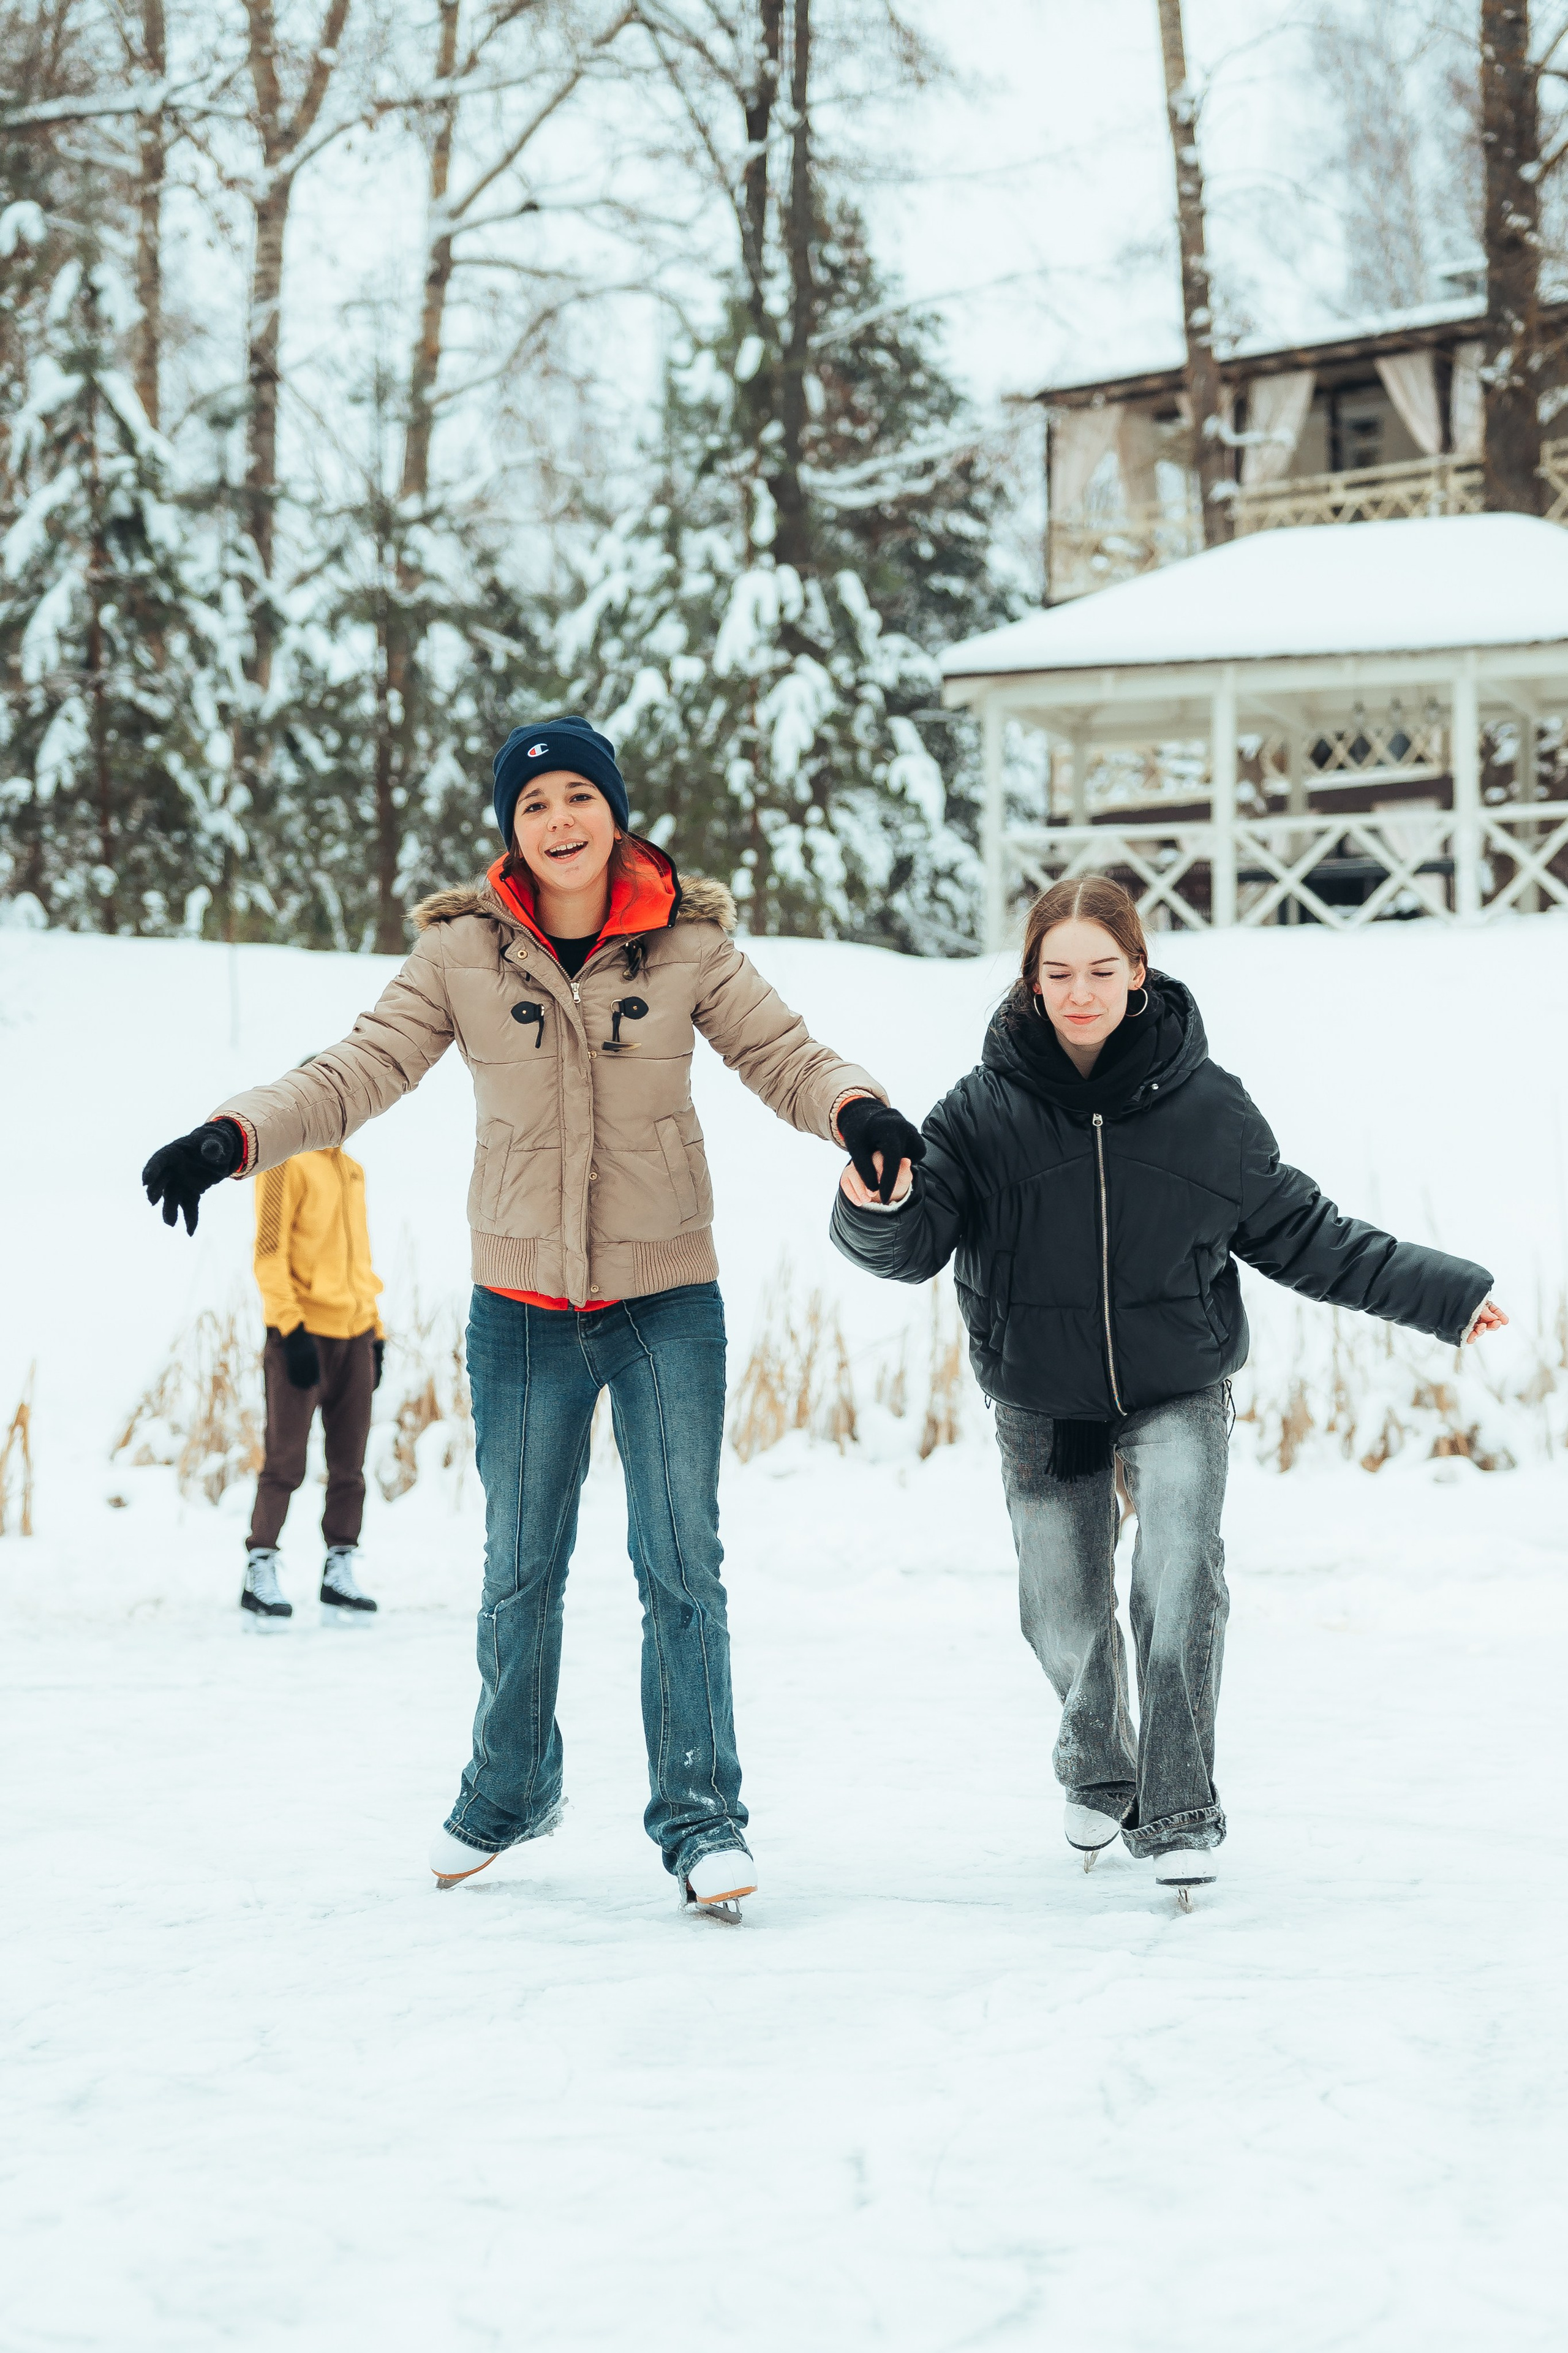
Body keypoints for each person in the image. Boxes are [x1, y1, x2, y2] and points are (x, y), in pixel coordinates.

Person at [141, 712, 922, 1922]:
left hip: (665, 1299)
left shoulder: (686, 942)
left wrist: (858, 1112)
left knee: (681, 1569)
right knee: (517, 1574)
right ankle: (507, 1789)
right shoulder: (462, 954)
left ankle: (701, 1820)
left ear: (613, 809)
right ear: (510, 827)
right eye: (535, 803)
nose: (560, 821)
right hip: (520, 1311)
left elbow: (783, 1053)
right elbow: (358, 1069)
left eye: (578, 797)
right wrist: (232, 1135)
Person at [830, 874, 1505, 1906]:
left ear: (1138, 973)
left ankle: (1181, 1807)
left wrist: (1445, 1296)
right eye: (1058, 973)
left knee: (1182, 1575)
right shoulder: (981, 1110)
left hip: (1177, 1384)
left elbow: (1308, 1237)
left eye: (1102, 970)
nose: (1081, 991)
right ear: (1031, 981)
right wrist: (872, 1202)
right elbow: (912, 1243)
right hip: (1043, 1397)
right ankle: (1100, 1764)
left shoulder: (1208, 1108)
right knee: (1062, 1608)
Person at [242, 1141, 386, 1625]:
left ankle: (339, 1568)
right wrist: (289, 1326)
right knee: (285, 1460)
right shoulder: (286, 1164)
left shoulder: (352, 1170)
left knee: (350, 1465)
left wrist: (377, 1332)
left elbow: (359, 1259)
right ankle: (259, 1566)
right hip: (302, 1335)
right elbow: (268, 1251)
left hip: (356, 1334)